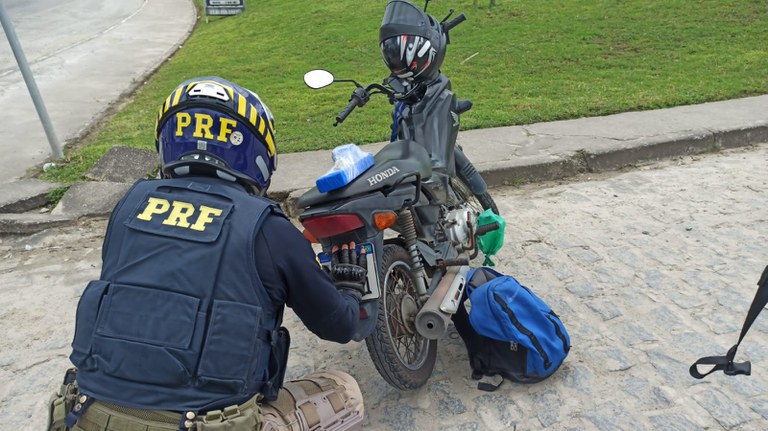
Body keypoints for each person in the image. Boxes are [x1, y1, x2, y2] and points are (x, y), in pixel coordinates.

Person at [47, 77, 368, 431]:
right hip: (202, 424)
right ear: (256, 149)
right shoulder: (267, 227)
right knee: (345, 389)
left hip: (89, 417)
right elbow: (340, 326)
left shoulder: (129, 207)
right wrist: (349, 286)